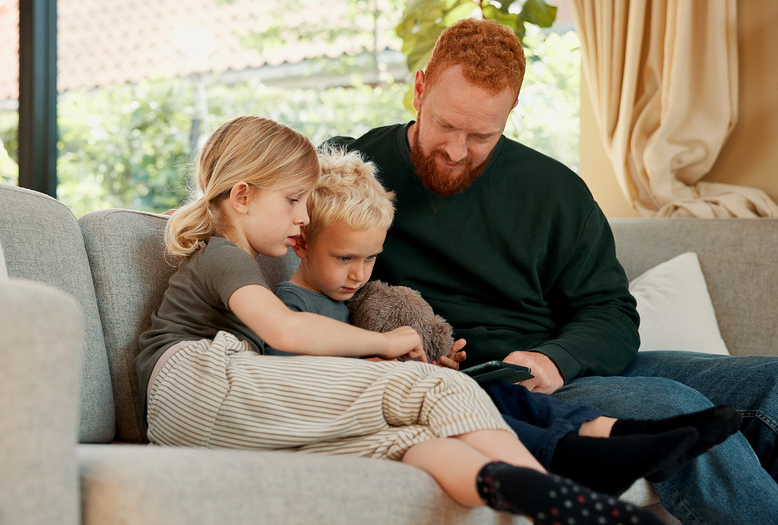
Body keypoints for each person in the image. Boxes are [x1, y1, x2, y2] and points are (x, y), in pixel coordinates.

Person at [326, 17, 778, 525]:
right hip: (491, 384)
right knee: (678, 413)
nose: (457, 151)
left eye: (481, 135)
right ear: (419, 88)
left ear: (511, 111)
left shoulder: (555, 190)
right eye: (446, 125)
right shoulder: (355, 171)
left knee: (772, 384)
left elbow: (609, 310)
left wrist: (554, 359)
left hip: (561, 368)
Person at [135, 115, 664, 524]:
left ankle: (517, 492)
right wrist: (384, 344)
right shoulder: (223, 253)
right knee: (429, 388)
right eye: (294, 200)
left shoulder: (244, 255)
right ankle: (563, 498)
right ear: (242, 196)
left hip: (203, 415)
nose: (302, 218)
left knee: (411, 440)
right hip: (195, 383)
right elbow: (286, 330)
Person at [268, 145, 738, 496]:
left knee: (494, 390)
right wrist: (391, 360)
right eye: (345, 257)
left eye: (372, 259)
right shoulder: (292, 305)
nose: (359, 273)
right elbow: (308, 377)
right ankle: (579, 451)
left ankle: (612, 433)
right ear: (301, 243)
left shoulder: (354, 298)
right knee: (486, 399)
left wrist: (431, 366)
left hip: (412, 392)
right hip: (375, 413)